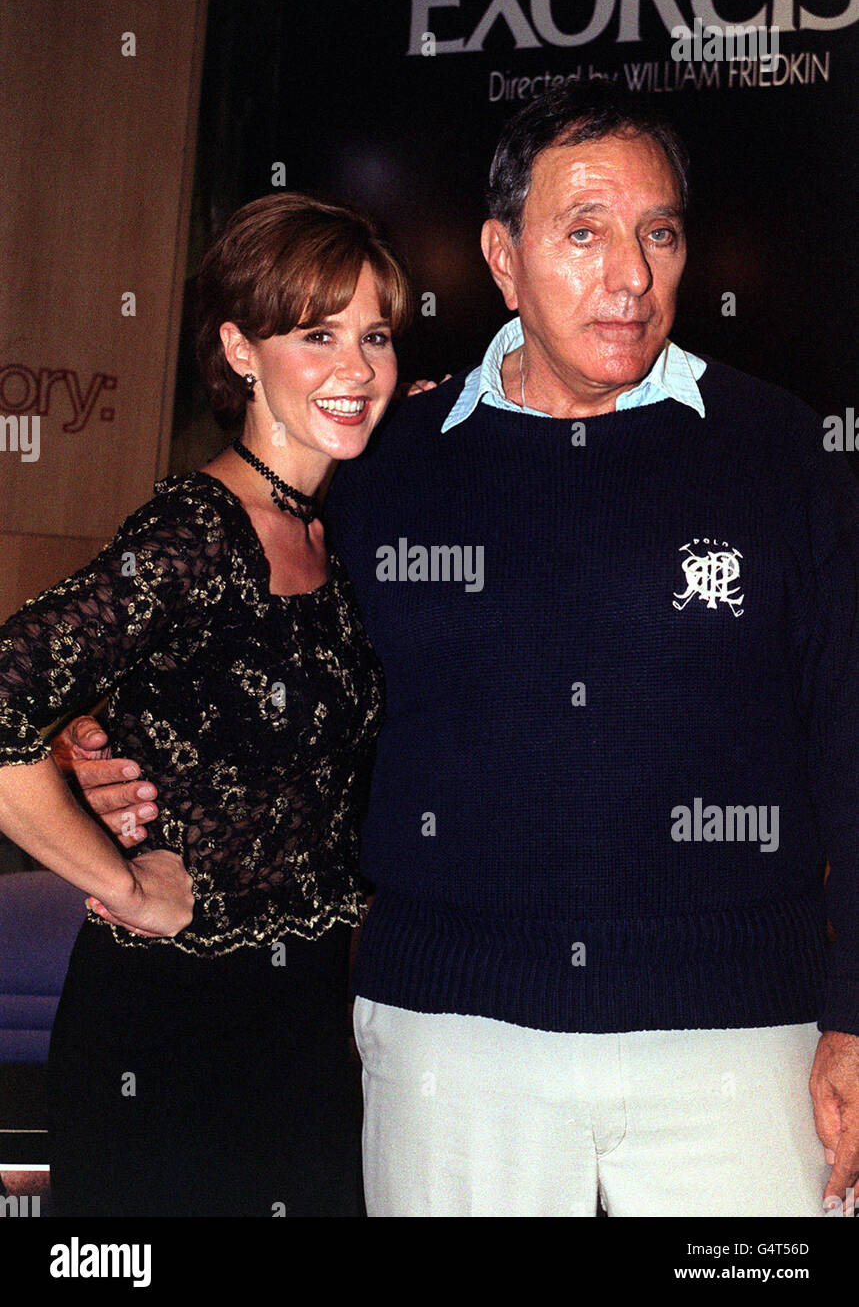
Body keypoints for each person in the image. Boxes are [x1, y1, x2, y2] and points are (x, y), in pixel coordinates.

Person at [66, 83, 859, 1218]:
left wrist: (854, 1016)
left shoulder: (778, 449)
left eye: (659, 232)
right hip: (452, 1048)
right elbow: (285, 694)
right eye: (582, 232)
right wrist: (121, 762)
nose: (629, 275)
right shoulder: (390, 470)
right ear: (501, 255)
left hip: (742, 1047)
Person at [0, 191, 409, 1216]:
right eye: (316, 334)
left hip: (305, 1024)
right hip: (167, 1031)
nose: (356, 368)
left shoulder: (328, 526)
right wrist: (123, 882)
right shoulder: (197, 533)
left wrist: (82, 750)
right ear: (241, 349)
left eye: (374, 334)